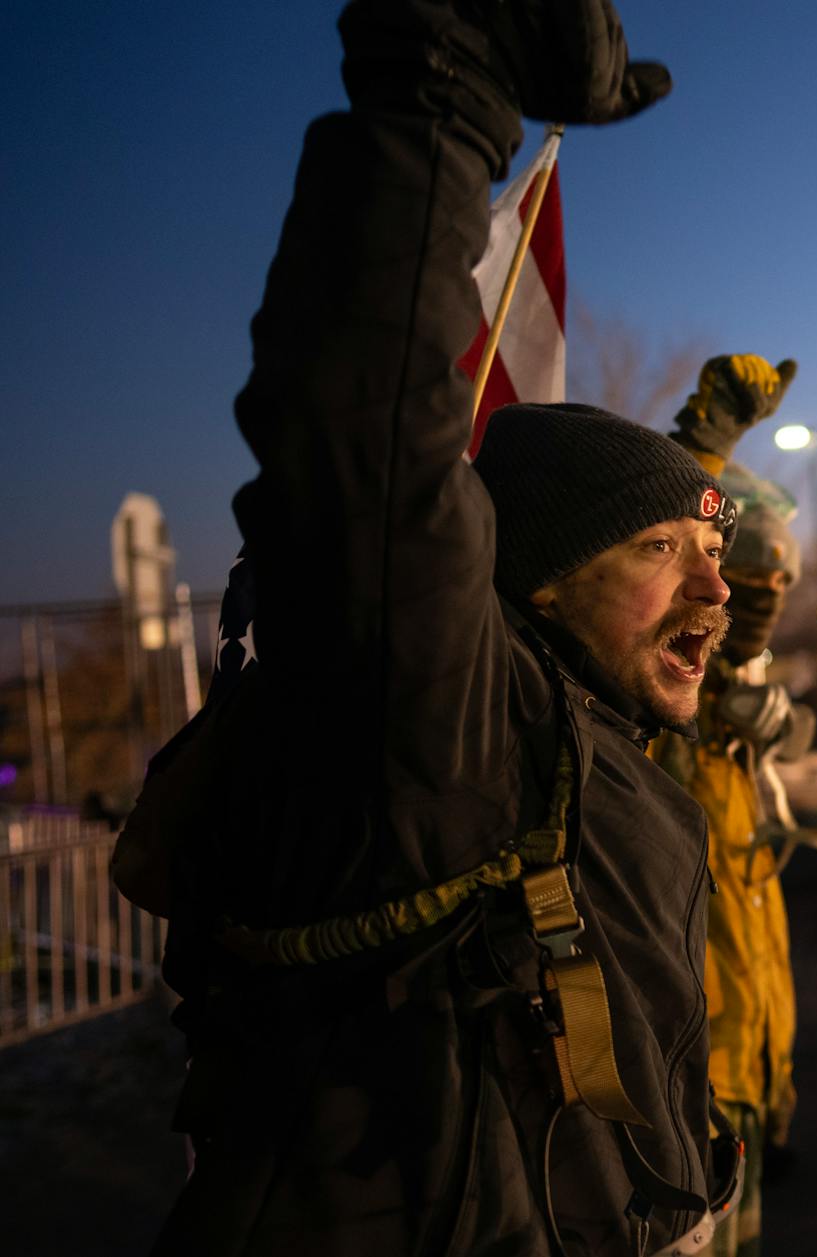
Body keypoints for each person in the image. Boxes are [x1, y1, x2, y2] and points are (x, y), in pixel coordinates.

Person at [146, 3, 744, 1253]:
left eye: (715, 553)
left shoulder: (597, 739)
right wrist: (444, 95)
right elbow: (362, 434)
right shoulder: (453, 726)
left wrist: (686, 1167)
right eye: (658, 549)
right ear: (533, 581)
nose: (717, 591)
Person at [648, 358, 815, 1257]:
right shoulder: (657, 718)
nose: (752, 603)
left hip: (744, 1070)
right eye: (743, 581)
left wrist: (771, 1076)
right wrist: (702, 449)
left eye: (776, 588)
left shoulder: (742, 727)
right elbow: (656, 537)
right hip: (684, 1080)